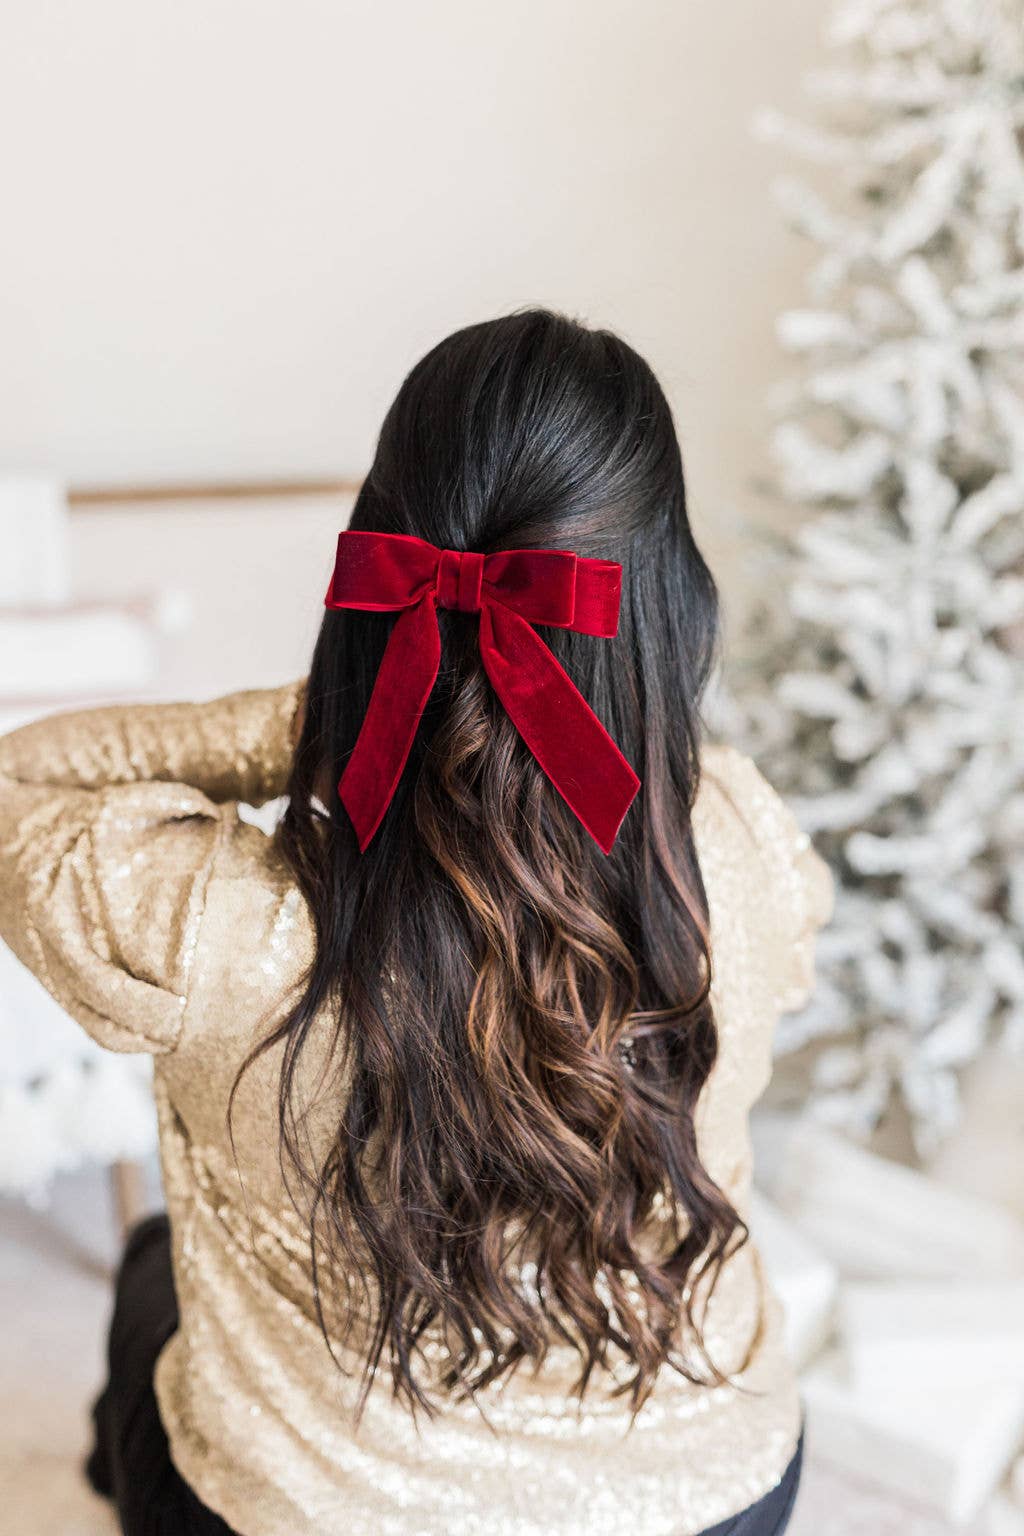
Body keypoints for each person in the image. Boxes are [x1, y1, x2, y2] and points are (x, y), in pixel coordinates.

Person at [0, 310, 831, 1536]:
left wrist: (332, 715)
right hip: (716, 1499)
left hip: (322, 1516)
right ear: (672, 606)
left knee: (143, 1280)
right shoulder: (743, 842)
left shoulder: (208, 924)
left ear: (372, 577)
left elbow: (17, 775)